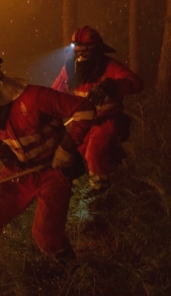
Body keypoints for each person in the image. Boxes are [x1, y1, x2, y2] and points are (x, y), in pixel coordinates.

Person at [0, 54, 95, 259]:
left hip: (53, 171)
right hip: (17, 173)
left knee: (46, 237)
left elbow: (84, 110)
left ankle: (73, 270)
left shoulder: (35, 97)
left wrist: (66, 148)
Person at [52, 26, 144, 196]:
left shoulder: (109, 66)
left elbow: (136, 83)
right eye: (77, 51)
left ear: (95, 49)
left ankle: (102, 192)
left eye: (84, 51)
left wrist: (110, 86)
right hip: (82, 122)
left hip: (108, 119)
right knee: (72, 153)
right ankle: (72, 189)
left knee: (95, 150)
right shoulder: (70, 69)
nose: (80, 55)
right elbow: (55, 94)